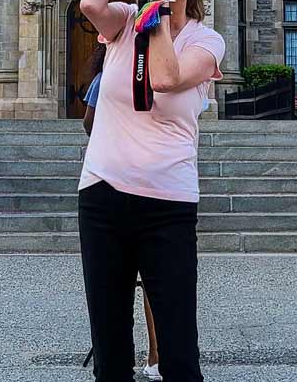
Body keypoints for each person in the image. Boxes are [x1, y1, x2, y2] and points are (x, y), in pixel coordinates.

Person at [78, 0, 224, 382]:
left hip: (168, 203)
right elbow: (89, 3)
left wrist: (158, 3)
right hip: (102, 194)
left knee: (179, 351)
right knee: (111, 346)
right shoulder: (123, 22)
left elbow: (164, 77)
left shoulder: (206, 41)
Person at [81, 43, 162, 381]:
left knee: (133, 284)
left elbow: (89, 122)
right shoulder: (111, 75)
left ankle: (154, 356)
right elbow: (89, 121)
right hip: (133, 180)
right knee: (143, 281)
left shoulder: (119, 74)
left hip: (140, 183)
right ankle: (152, 356)